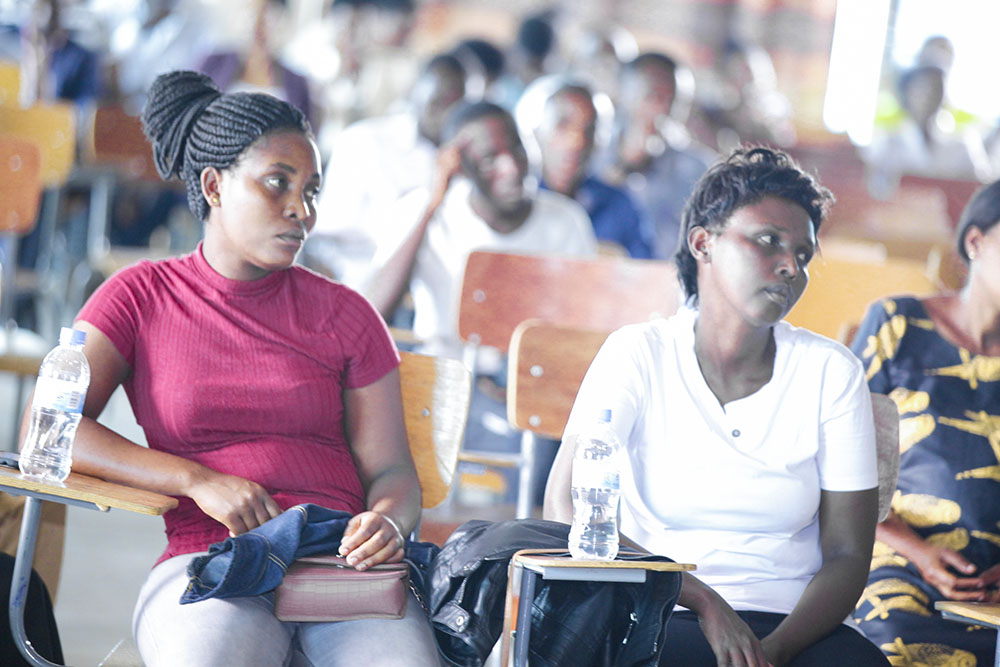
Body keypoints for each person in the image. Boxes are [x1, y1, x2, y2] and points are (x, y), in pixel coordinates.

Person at [21, 70, 439, 667]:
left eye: (312, 191)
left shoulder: (347, 314)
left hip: (340, 565)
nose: (301, 210)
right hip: (209, 559)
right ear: (214, 186)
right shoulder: (138, 297)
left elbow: (392, 469)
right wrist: (195, 479)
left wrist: (389, 523)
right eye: (278, 183)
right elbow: (47, 428)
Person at [545, 146, 890, 666]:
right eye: (768, 240)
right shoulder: (637, 353)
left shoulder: (831, 372)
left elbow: (847, 555)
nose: (790, 267)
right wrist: (704, 601)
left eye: (803, 254)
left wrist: (771, 653)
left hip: (791, 626)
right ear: (703, 243)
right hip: (654, 611)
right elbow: (565, 507)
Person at [364, 101, 596, 506]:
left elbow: (586, 332)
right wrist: (433, 200)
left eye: (516, 150)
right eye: (489, 159)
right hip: (447, 390)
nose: (511, 167)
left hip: (533, 396)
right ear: (462, 166)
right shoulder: (428, 212)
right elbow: (371, 312)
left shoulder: (565, 221)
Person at [851, 180, 1000, 665]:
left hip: (994, 581)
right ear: (976, 242)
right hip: (901, 559)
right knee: (896, 643)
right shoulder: (897, 325)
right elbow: (841, 463)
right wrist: (919, 552)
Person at [301, 53, 466, 289]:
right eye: (438, 103)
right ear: (414, 94)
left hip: (437, 285)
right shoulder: (366, 142)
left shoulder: (465, 155)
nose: (446, 116)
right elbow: (327, 237)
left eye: (456, 106)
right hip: (361, 281)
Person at [593, 51, 716, 260]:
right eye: (652, 96)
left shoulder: (697, 169)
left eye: (673, 101)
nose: (662, 109)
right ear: (624, 93)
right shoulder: (594, 154)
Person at [517, 76, 654, 258]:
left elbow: (645, 267)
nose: (577, 141)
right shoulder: (518, 203)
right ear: (536, 131)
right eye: (562, 125)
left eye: (588, 130)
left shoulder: (617, 204)